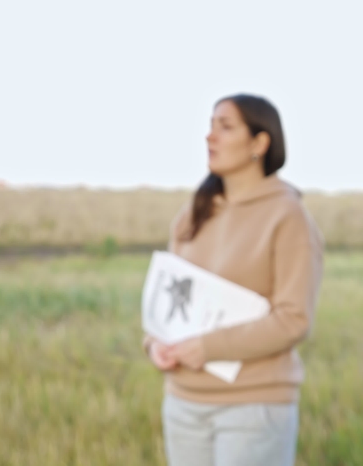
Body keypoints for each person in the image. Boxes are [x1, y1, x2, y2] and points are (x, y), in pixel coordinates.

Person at [143, 94, 324, 466]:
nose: (210, 137)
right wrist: (155, 343)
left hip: (252, 408)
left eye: (225, 127)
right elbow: (170, 300)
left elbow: (293, 320)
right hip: (182, 401)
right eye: (210, 126)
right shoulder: (194, 212)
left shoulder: (288, 217)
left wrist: (209, 347)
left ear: (260, 143)